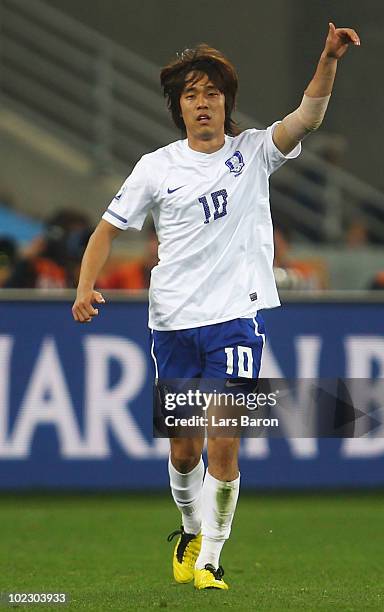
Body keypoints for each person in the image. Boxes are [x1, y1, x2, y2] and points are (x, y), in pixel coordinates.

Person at [72, 23, 360, 590]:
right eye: (190, 95)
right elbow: (106, 229)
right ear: (178, 107)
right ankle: (189, 526)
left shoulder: (253, 152)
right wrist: (85, 286)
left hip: (235, 320)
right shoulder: (157, 166)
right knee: (185, 452)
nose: (201, 104)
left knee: (223, 439)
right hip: (173, 324)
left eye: (211, 93)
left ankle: (211, 558)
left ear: (226, 101)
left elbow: (309, 116)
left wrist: (329, 59)